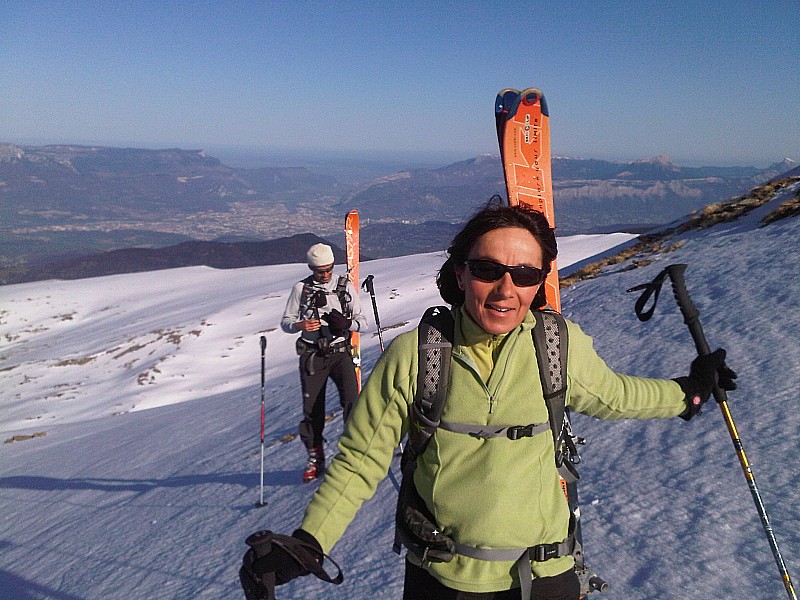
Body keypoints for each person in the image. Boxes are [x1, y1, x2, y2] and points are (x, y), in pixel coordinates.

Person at [244, 202, 736, 599]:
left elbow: (615, 395)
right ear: (460, 275)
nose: (506, 289)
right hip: (440, 578)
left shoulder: (556, 345)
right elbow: (360, 460)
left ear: (539, 280)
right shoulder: (414, 357)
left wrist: (688, 393)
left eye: (525, 274)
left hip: (546, 577)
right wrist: (309, 543)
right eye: (487, 270)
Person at [280, 243, 367, 483]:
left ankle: (353, 454)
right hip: (312, 355)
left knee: (352, 402)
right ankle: (316, 457)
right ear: (311, 268)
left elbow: (363, 322)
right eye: (320, 271)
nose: (325, 274)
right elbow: (286, 322)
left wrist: (346, 325)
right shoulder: (301, 289)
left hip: (340, 353)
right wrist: (300, 325)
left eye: (328, 269)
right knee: (312, 410)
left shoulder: (344, 286)